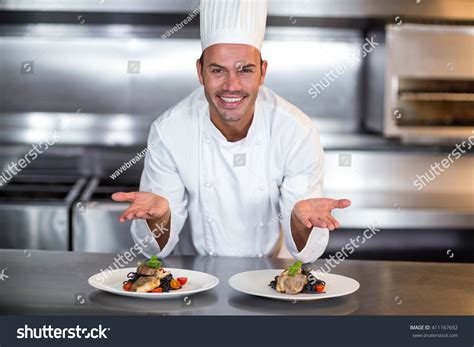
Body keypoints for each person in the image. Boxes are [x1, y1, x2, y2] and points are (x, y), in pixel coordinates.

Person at [112, 0, 351, 263]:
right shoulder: (170, 130)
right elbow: (153, 250)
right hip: (195, 282)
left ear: (262, 72)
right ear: (200, 72)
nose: (231, 86)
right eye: (218, 70)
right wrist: (159, 217)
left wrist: (300, 220)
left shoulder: (296, 130)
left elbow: (306, 251)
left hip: (272, 282)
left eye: (245, 70)